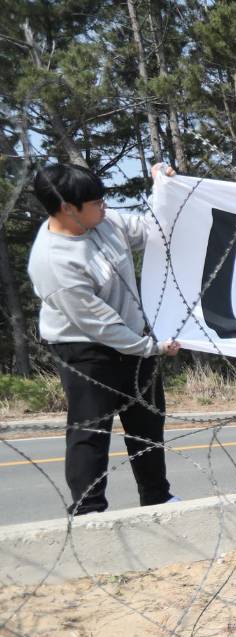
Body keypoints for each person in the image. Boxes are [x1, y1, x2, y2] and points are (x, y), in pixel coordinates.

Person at [27, 162, 182, 516]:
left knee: (147, 423)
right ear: (67, 208)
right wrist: (152, 348)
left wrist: (164, 190)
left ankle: (157, 497)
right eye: (96, 202)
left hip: (134, 340)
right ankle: (88, 510)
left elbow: (151, 230)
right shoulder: (53, 261)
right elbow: (101, 326)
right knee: (91, 430)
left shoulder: (105, 222)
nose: (105, 206)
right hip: (85, 350)